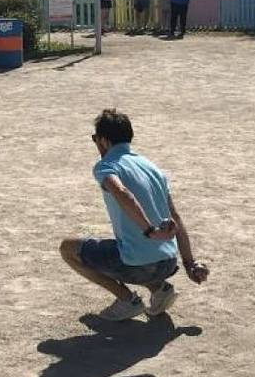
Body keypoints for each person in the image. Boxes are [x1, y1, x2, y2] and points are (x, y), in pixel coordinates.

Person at [59, 109, 209, 320]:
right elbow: (175, 215)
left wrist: (149, 230)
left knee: (68, 248)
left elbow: (120, 191)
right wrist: (189, 263)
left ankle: (127, 300)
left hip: (138, 265)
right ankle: (160, 290)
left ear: (103, 140)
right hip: (167, 263)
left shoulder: (107, 165)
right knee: (132, 248)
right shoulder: (152, 167)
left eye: (95, 139)